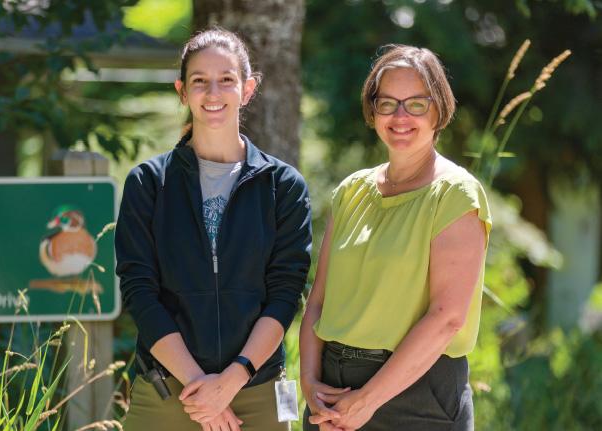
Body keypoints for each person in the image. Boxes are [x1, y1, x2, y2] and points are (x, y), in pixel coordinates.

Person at [116, 28, 312, 431]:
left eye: (226, 79)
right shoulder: (148, 183)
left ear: (248, 88)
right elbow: (140, 292)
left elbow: (285, 294)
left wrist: (231, 380)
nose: (213, 92)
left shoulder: (283, 185)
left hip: (259, 388)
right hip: (169, 390)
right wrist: (200, 386)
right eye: (199, 81)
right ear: (182, 91)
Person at [299, 45, 491, 431]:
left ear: (438, 109)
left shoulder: (456, 194)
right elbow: (318, 301)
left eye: (416, 104)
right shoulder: (351, 190)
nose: (400, 116)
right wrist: (309, 381)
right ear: (373, 110)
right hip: (331, 389)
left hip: (417, 394)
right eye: (388, 103)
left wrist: (367, 401)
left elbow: (446, 319)